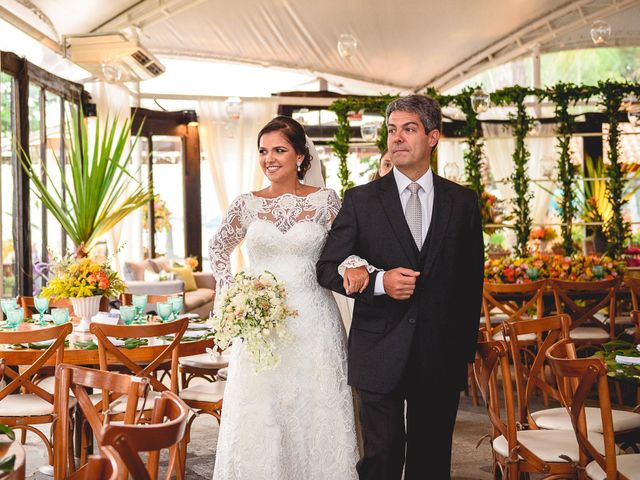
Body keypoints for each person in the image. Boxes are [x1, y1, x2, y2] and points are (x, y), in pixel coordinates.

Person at [317, 95, 484, 480]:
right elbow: (326, 267)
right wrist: (378, 281)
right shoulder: (360, 200)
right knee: (380, 460)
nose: (397, 139)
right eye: (392, 130)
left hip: (439, 354)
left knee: (431, 461)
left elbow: (470, 282)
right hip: (377, 351)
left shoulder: (462, 202)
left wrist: (462, 354)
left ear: (433, 137)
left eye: (409, 129)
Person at [209, 116, 358, 480]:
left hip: (314, 321)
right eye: (263, 151)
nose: (269, 158)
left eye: (279, 150)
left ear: (300, 156)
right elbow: (218, 249)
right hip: (262, 327)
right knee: (263, 411)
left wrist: (354, 265)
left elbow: (348, 248)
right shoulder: (247, 205)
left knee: (314, 408)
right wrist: (236, 294)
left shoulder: (325, 201)